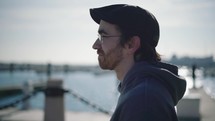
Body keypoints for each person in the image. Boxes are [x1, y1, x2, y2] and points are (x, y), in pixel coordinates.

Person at [89, 4, 186, 121]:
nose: (95, 45)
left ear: (131, 44)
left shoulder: (144, 101)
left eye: (103, 36)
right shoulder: (140, 91)